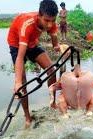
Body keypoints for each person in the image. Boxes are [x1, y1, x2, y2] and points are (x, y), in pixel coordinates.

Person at [7, 0, 61, 129]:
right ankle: (27, 117)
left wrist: (56, 46)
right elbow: (20, 56)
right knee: (23, 83)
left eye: (52, 20)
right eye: (46, 20)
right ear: (39, 15)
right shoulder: (27, 23)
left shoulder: (51, 22)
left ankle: (52, 103)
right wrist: (17, 82)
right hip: (16, 44)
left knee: (52, 70)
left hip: (32, 43)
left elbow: (54, 36)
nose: (49, 24)